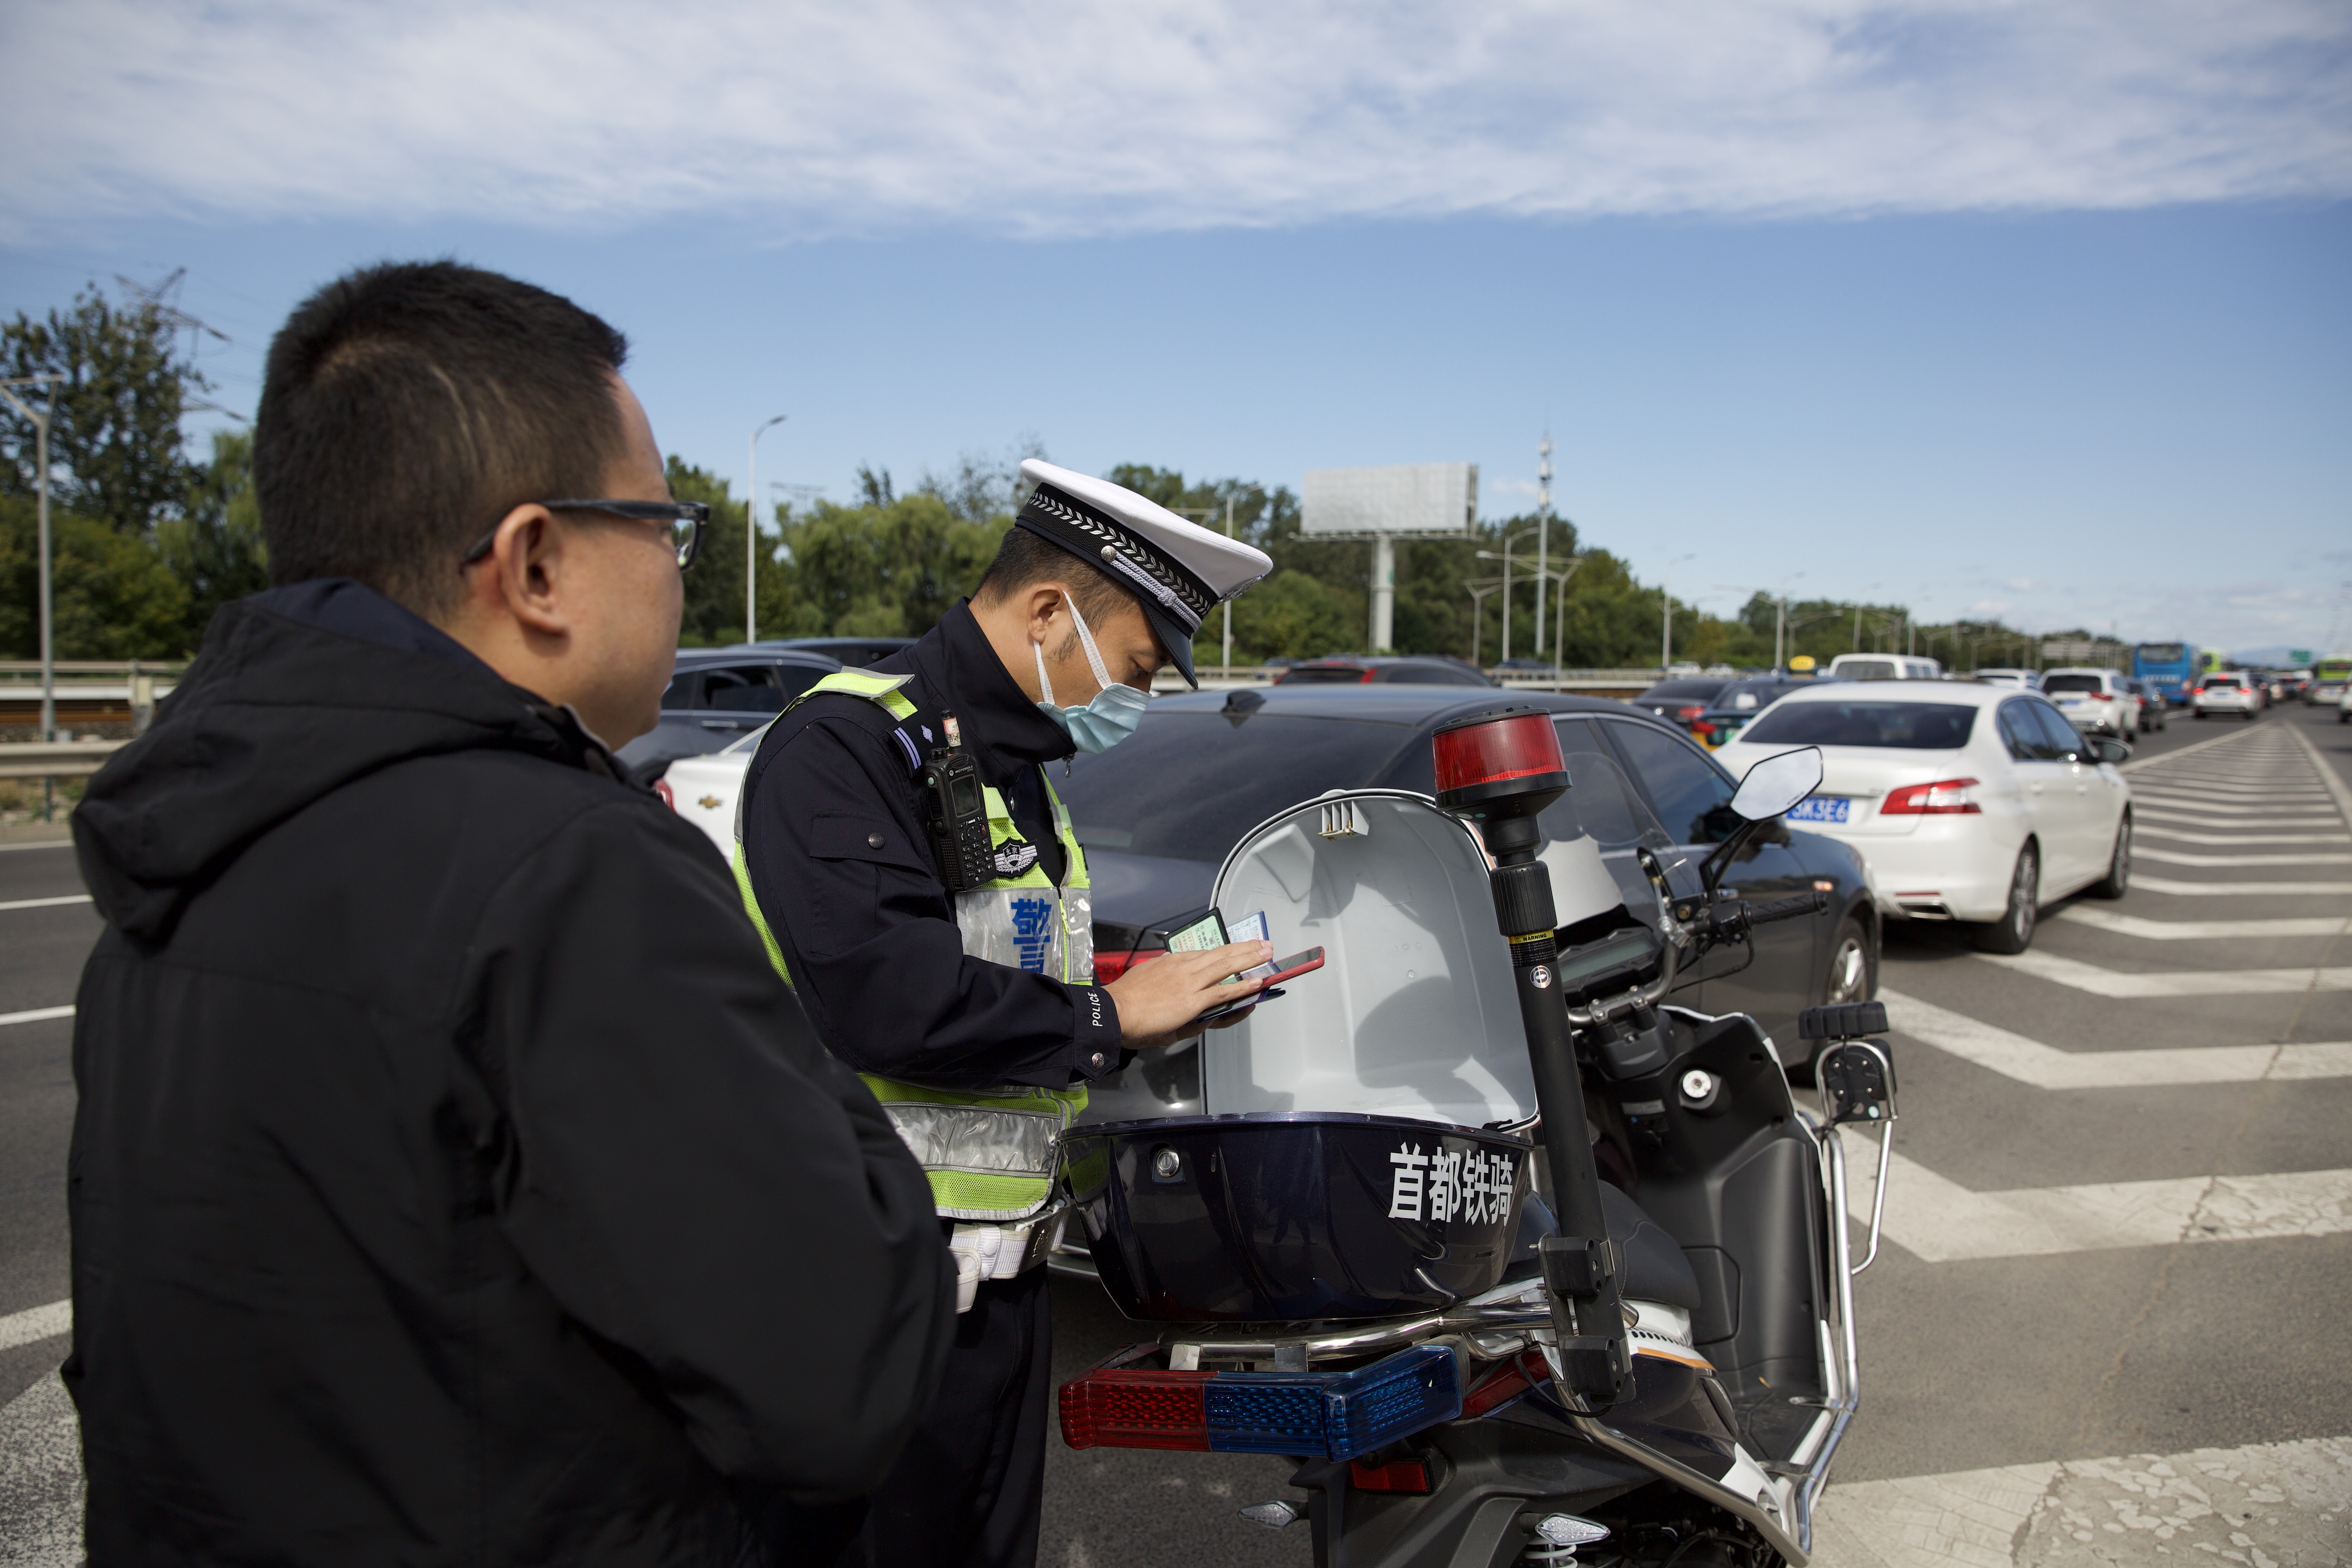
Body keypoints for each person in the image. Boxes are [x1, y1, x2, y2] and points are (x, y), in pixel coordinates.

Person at [65, 261, 953, 1564]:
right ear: (537, 562)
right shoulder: (569, 871)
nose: (678, 573)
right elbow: (840, 1378)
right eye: (664, 527)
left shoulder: (181, 846)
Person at [734, 460, 1274, 1568]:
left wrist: (1162, 1003)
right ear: (1047, 612)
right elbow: (888, 997)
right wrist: (1111, 1019)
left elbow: (1024, 985)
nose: (1139, 693)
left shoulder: (1010, 770)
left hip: (999, 1278)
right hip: (863, 1287)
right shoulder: (845, 749)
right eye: (1135, 663)